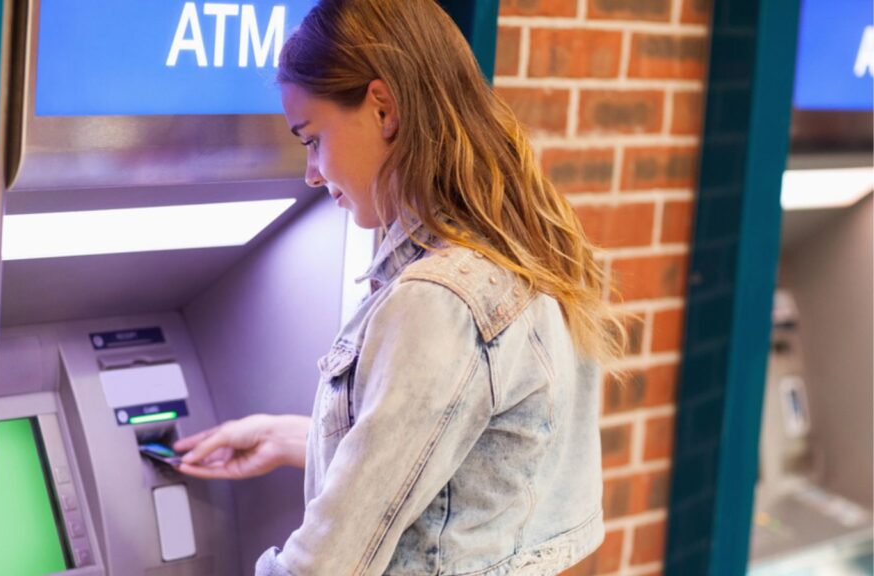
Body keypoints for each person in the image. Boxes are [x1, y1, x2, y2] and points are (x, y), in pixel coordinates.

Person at [173, 1, 628, 574]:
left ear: (383, 108)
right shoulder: (533, 250)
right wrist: (291, 438)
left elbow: (325, 566)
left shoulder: (439, 298)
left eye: (312, 139)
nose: (311, 173)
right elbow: (466, 462)